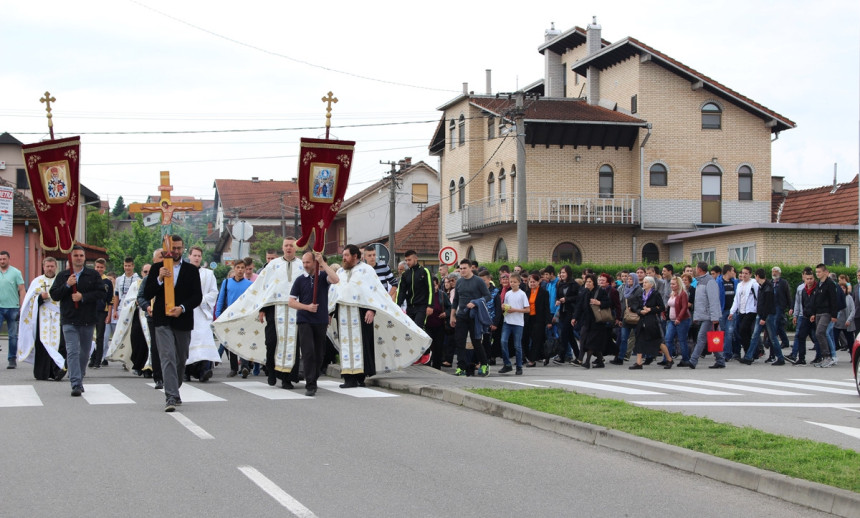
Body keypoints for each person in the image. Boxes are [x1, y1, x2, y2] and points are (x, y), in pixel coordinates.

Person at [330, 245, 431, 387]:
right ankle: (348, 377)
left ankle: (360, 376)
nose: (344, 258)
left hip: (362, 313)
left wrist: (372, 310)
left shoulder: (367, 271)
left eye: (346, 255)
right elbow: (334, 292)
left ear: (355, 256)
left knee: (363, 345)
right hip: (343, 315)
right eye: (343, 255)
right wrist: (330, 313)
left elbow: (375, 292)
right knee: (346, 346)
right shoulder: (340, 271)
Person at [213, 238, 304, 388]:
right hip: (274, 309)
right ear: (282, 247)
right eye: (286, 245)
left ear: (295, 248)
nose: (289, 248)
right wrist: (262, 309)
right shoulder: (273, 265)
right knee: (271, 342)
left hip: (295, 310)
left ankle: (287, 378)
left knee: (292, 344)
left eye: (291, 246)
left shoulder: (301, 265)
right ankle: (272, 372)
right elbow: (263, 288)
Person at [142, 235, 203, 412]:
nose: (175, 251)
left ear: (183, 249)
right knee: (167, 356)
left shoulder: (191, 270)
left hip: (182, 319)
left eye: (178, 248)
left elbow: (197, 296)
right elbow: (147, 294)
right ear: (165, 250)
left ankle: (174, 387)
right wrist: (159, 279)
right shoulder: (156, 268)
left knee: (181, 358)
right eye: (172, 248)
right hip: (161, 320)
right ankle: (170, 395)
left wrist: (182, 308)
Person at [49, 245, 109, 397]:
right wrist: (67, 285)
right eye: (76, 255)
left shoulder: (93, 275)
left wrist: (83, 297)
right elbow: (54, 295)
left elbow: (101, 293)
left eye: (81, 256)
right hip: (69, 319)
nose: (79, 258)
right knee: (72, 351)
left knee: (84, 352)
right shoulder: (63, 276)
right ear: (71, 257)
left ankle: (79, 374)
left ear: (85, 257)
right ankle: (75, 382)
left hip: (88, 319)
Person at [288, 251, 339, 396]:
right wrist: (306, 307)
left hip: (321, 320)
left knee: (319, 353)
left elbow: (335, 279)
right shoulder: (299, 280)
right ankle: (310, 385)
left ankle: (314, 376)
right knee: (308, 352)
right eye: (303, 262)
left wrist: (322, 262)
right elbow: (291, 302)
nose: (305, 265)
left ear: (314, 263)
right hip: (304, 319)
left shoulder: (322, 277)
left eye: (308, 262)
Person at [17, 257, 66, 381]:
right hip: (41, 319)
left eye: (52, 266)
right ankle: (42, 373)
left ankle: (56, 371)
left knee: (58, 344)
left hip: (58, 317)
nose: (50, 269)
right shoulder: (37, 281)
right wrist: (40, 298)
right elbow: (29, 301)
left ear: (56, 267)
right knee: (42, 344)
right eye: (47, 266)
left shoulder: (60, 280)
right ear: (43, 267)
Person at [106, 262, 151, 376]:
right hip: (138, 315)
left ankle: (149, 367)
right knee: (137, 341)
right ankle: (138, 365)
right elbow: (127, 300)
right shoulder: (136, 284)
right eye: (145, 272)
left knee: (150, 343)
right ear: (141, 273)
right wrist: (135, 302)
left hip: (151, 316)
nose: (148, 274)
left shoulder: (156, 284)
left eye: (150, 272)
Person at [450, 258, 491, 376]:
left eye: (464, 268)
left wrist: (476, 302)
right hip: (461, 315)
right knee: (460, 341)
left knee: (476, 341)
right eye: (461, 268)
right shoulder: (459, 282)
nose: (462, 271)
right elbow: (456, 300)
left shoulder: (478, 281)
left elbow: (488, 296)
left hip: (474, 316)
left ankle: (484, 364)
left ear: (470, 268)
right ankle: (461, 367)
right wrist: (452, 316)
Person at [185, 246, 220, 382]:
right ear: (189, 256)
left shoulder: (208, 274)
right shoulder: (184, 272)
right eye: (194, 255)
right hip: (188, 311)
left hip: (203, 311)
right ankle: (186, 371)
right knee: (188, 342)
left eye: (199, 255)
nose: (197, 258)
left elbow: (213, 292)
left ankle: (205, 369)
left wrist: (201, 300)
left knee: (205, 340)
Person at [739, 268, 786, 366]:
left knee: (772, 337)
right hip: (761, 315)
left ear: (757, 276)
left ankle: (780, 358)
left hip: (767, 316)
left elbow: (768, 305)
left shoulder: (767, 288)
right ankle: (748, 357)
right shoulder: (763, 286)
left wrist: (763, 318)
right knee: (755, 336)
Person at [215, 261, 253, 377]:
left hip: (244, 316)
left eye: (243, 268)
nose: (240, 270)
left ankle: (245, 366)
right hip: (230, 316)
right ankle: (233, 368)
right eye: (238, 267)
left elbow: (252, 301)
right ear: (234, 269)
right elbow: (221, 299)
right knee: (231, 342)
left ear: (245, 269)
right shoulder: (226, 283)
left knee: (244, 342)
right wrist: (218, 314)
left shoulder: (249, 284)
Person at [686, 261, 725, 369]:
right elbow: (699, 300)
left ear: (699, 269)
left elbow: (713, 300)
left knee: (701, 337)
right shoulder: (699, 281)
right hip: (705, 315)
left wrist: (714, 318)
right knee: (713, 338)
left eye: (695, 267)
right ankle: (720, 360)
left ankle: (693, 360)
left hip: (709, 316)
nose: (694, 269)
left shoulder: (709, 281)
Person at [629, 276, 673, 369]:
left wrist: (650, 309)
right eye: (643, 282)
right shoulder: (641, 294)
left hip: (652, 320)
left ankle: (669, 359)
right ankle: (638, 363)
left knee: (658, 341)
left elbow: (661, 307)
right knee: (639, 340)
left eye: (646, 282)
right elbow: (635, 306)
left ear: (651, 284)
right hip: (642, 319)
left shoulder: (655, 294)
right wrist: (640, 311)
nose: (644, 284)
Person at [571, 273, 611, 369]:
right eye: (586, 281)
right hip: (586, 320)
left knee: (591, 342)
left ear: (594, 283)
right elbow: (579, 306)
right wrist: (575, 318)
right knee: (583, 339)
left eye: (590, 282)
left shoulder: (600, 291)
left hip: (597, 322)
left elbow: (609, 303)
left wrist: (599, 303)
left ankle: (586, 361)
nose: (587, 283)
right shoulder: (584, 292)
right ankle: (600, 361)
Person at [138, 252, 165, 386]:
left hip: (169, 317)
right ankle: (158, 377)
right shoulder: (147, 279)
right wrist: (147, 307)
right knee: (155, 347)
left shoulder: (172, 277)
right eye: (160, 257)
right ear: (154, 260)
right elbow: (141, 297)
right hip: (153, 317)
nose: (162, 260)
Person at [498, 273, 529, 375]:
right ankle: (507, 364)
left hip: (518, 323)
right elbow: (505, 305)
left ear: (519, 283)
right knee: (503, 341)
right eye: (511, 282)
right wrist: (504, 307)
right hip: (507, 321)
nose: (512, 284)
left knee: (517, 346)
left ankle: (519, 366)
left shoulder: (522, 294)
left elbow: (527, 309)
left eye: (515, 282)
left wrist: (514, 310)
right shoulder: (508, 294)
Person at [0, 250, 26, 369]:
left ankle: (12, 359)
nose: (2, 261)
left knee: (12, 335)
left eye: (4, 259)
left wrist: (22, 306)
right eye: (0, 259)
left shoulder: (16, 272)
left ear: (9, 259)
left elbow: (21, 289)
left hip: (13, 307)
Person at [397, 249, 433, 331]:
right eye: (406, 260)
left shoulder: (424, 271)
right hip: (410, 307)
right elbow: (401, 291)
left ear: (416, 259)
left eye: (409, 260)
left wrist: (430, 305)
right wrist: (397, 306)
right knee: (410, 330)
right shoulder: (405, 274)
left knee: (418, 329)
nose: (407, 262)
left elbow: (430, 289)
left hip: (421, 307)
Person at [612, 271, 642, 365]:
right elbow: (622, 305)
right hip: (626, 317)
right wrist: (620, 318)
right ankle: (620, 357)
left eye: (631, 279)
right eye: (628, 279)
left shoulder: (639, 290)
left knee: (638, 338)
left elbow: (641, 302)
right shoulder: (625, 289)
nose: (629, 280)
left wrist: (634, 308)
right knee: (624, 338)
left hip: (636, 317)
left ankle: (642, 358)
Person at [89, 258, 113, 369]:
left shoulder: (107, 282)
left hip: (102, 312)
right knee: (89, 336)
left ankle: (97, 361)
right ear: (95, 267)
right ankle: (91, 358)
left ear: (104, 268)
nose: (99, 269)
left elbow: (110, 300)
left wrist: (109, 315)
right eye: (97, 267)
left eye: (101, 267)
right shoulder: (90, 279)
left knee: (100, 337)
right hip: (90, 310)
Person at [553, 265, 580, 364]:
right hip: (562, 312)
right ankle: (578, 355)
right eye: (561, 273)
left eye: (564, 272)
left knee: (564, 334)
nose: (562, 274)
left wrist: (567, 299)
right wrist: (557, 301)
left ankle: (562, 356)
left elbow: (578, 298)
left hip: (571, 311)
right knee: (569, 336)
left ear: (568, 273)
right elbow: (557, 296)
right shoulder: (560, 284)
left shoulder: (574, 284)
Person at [425, 276, 451, 370]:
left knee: (438, 346)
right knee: (427, 345)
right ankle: (427, 364)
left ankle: (436, 366)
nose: (432, 287)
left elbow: (450, 307)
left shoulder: (442, 295)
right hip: (427, 325)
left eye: (434, 285)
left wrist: (446, 313)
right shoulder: (424, 295)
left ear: (437, 285)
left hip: (440, 325)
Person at [663, 276, 690, 365]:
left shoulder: (683, 294)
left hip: (682, 320)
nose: (671, 285)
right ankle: (667, 358)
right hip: (672, 320)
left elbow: (684, 307)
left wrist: (679, 318)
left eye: (674, 284)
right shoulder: (672, 293)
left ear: (678, 284)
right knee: (668, 339)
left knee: (682, 340)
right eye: (671, 284)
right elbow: (669, 305)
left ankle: (685, 359)